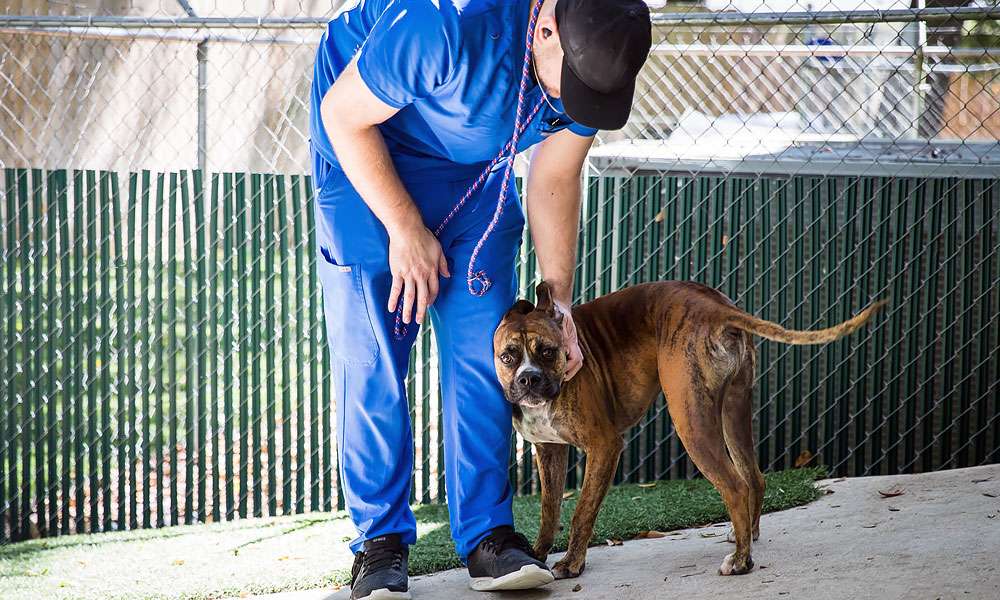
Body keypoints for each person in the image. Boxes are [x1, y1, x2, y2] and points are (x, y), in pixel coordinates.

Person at [308, 0, 651, 597]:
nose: (572, 104)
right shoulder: (445, 26)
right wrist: (403, 226)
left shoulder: (597, 50)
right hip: (367, 157)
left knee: (485, 353)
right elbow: (343, 116)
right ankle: (379, 543)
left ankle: (489, 536)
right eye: (567, 86)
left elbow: (553, 176)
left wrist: (559, 305)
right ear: (544, 30)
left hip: (473, 178)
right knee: (374, 358)